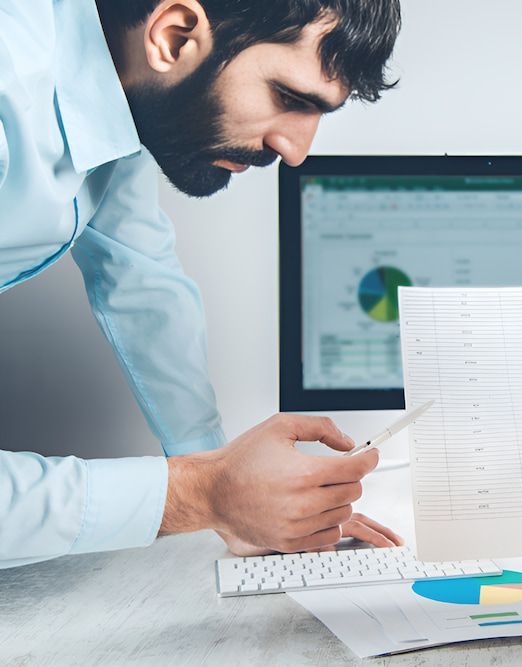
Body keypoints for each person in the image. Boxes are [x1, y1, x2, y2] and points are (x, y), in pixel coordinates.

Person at [0, 0, 404, 568]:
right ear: (172, 36)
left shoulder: (126, 92)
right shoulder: (11, 87)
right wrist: (205, 495)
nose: (296, 152)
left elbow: (142, 282)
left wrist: (235, 484)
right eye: (288, 97)